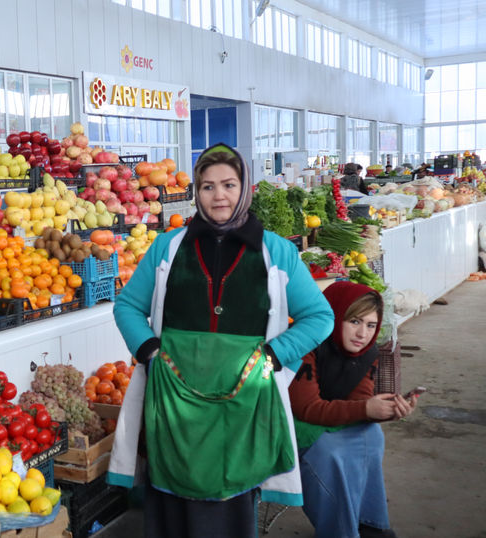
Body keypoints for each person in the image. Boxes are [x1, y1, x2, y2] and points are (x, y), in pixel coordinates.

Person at [109, 142, 334, 537]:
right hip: (174, 402)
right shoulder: (167, 247)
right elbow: (127, 306)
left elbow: (320, 316)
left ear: (245, 187)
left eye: (229, 184)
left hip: (244, 403)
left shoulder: (276, 252)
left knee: (231, 503)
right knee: (171, 507)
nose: (219, 196)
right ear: (196, 191)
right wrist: (150, 351)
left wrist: (274, 355)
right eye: (208, 186)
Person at [288, 281, 417, 538]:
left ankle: (370, 524)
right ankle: (340, 531)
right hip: (288, 423)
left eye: (371, 325)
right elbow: (307, 408)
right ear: (334, 316)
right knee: (328, 450)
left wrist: (386, 409)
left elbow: (358, 402)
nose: (363, 334)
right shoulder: (304, 343)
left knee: (371, 434)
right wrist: (366, 409)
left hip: (325, 417)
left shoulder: (367, 354)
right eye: (354, 322)